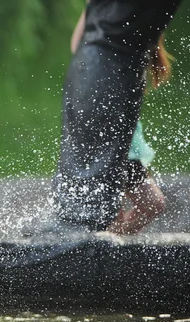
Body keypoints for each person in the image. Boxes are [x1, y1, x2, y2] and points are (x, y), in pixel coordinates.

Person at [52, 0, 183, 232]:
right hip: (114, 129)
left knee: (146, 204)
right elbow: (80, 45)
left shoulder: (141, 31)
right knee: (141, 203)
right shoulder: (107, 24)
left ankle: (111, 243)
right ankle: (107, 244)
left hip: (125, 130)